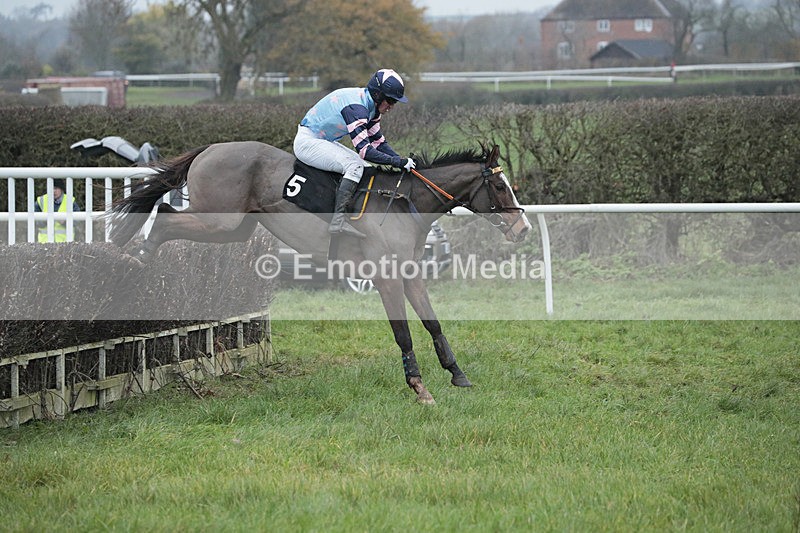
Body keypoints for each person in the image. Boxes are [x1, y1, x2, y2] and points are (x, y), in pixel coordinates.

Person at [293, 68, 416, 239]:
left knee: (365, 167)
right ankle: (337, 221)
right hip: (308, 142)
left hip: (323, 140)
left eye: (394, 102)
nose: (391, 106)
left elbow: (378, 143)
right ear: (378, 94)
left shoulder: (372, 108)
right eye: (390, 100)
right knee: (355, 166)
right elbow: (365, 151)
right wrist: (397, 162)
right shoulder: (357, 109)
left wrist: (402, 161)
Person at [35, 178, 81, 242]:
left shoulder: (70, 201)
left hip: (65, 243)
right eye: (51, 188)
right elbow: (34, 221)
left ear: (61, 189)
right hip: (44, 243)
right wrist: (45, 221)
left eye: (56, 188)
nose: (53, 191)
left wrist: (64, 222)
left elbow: (78, 220)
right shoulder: (41, 200)